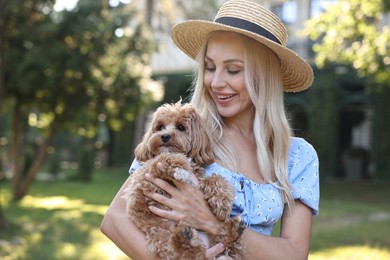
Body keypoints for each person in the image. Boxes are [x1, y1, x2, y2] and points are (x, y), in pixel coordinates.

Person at [100, 0, 320, 259]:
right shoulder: (188, 135)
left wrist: (212, 224)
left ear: (265, 76)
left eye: (233, 69)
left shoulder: (297, 156)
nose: (216, 82)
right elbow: (115, 220)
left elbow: (294, 254)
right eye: (210, 67)